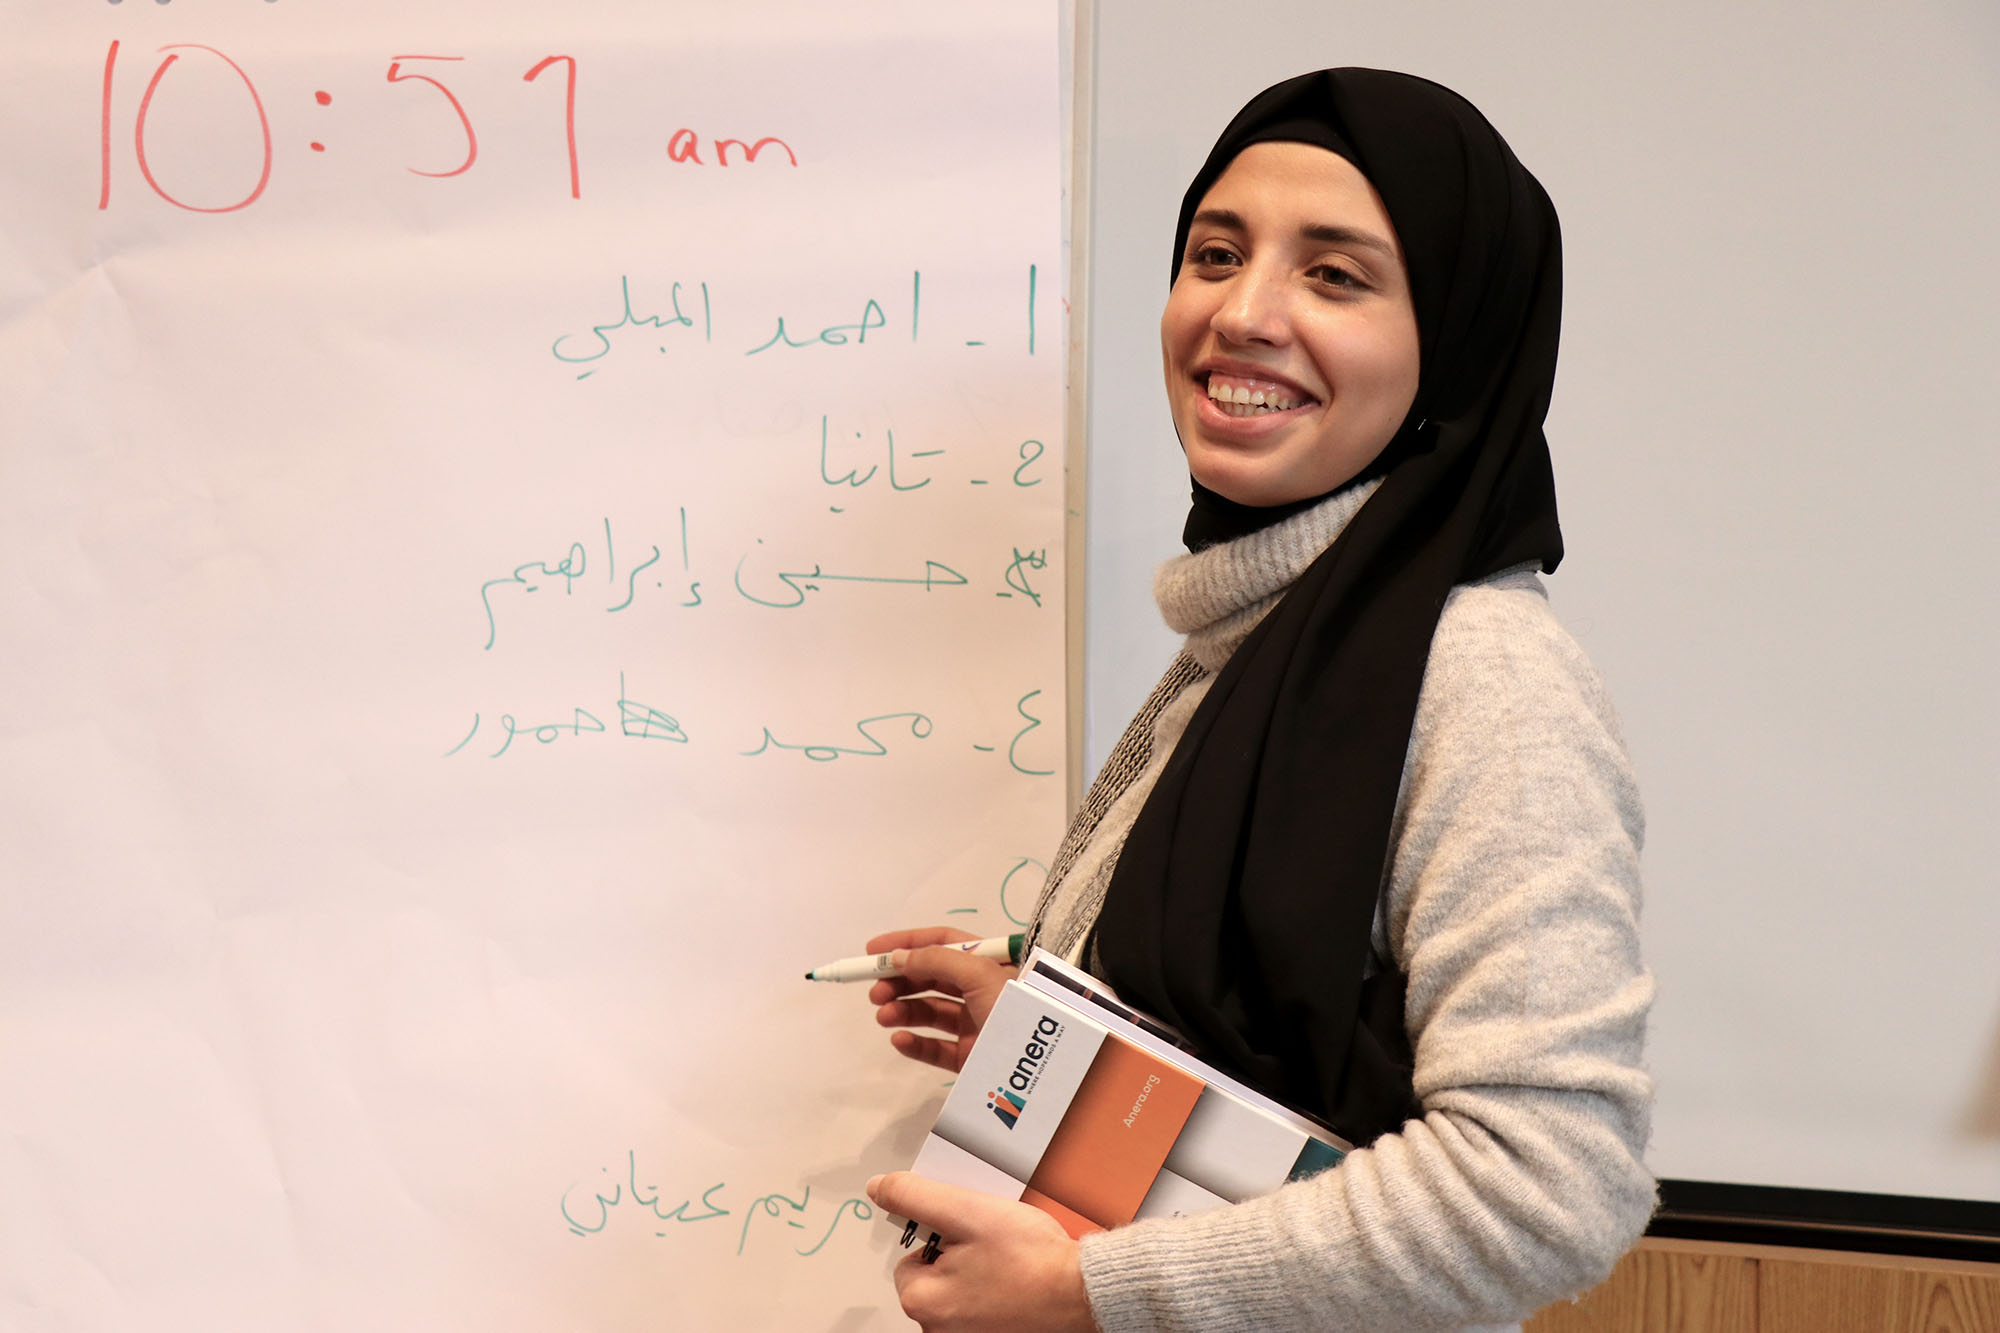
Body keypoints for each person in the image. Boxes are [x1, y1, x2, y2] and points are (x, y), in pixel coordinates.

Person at [860, 67, 1654, 1333]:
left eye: (1333, 275)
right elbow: (1281, 1041)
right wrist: (1045, 1025)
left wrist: (1088, 1293)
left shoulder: (1481, 680)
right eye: (1214, 253)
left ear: (1450, 341)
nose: (1240, 313)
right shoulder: (1262, 628)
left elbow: (1546, 1188)